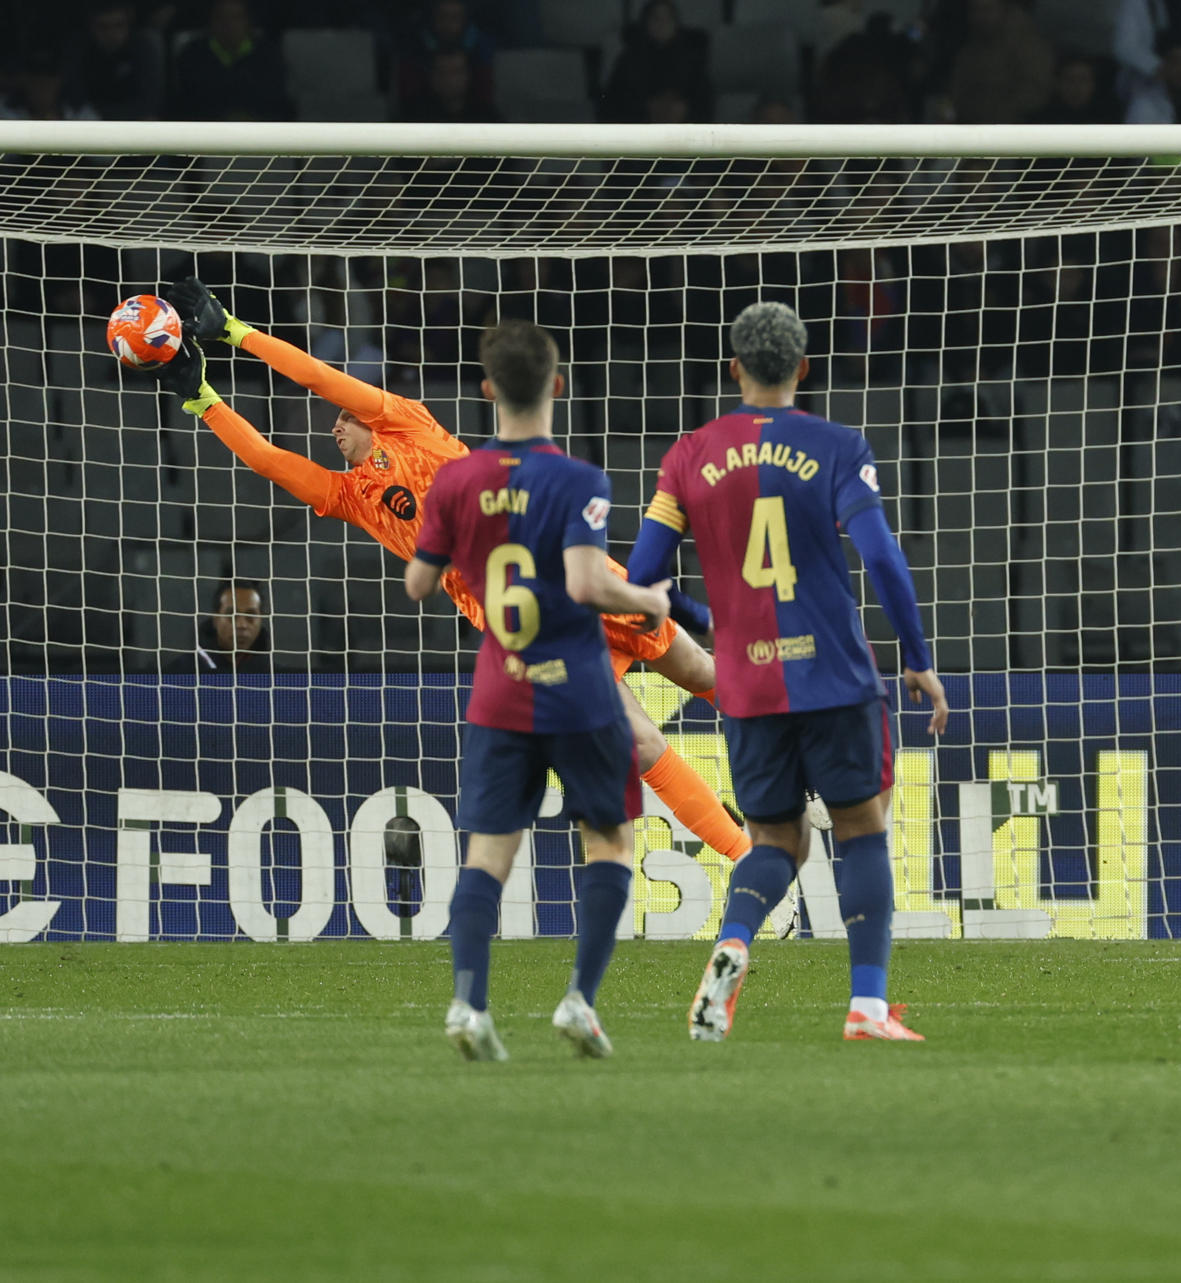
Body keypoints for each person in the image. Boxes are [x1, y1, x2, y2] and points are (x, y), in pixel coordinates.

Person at [145, 277, 753, 864]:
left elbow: (317, 377)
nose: (335, 426)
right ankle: (746, 855)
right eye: (335, 423)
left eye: (344, 418)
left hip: (572, 568)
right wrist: (205, 400)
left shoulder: (406, 421)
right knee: (640, 744)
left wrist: (234, 332)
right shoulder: (350, 497)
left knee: (702, 672)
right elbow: (268, 459)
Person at [627, 302, 950, 1043]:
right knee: (860, 829)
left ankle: (733, 941)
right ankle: (867, 1006)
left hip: (748, 683)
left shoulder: (688, 457)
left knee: (776, 841)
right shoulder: (836, 445)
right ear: (804, 368)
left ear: (733, 368)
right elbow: (883, 558)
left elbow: (642, 581)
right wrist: (917, 657)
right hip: (834, 673)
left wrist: (708, 616)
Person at [404, 321, 672, 1061]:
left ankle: (468, 1004)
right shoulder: (579, 479)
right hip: (579, 690)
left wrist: (458, 538)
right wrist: (649, 601)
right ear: (557, 385)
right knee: (609, 841)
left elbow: (418, 583)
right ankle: (580, 1000)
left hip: (502, 689)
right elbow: (588, 584)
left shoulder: (455, 481)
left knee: (488, 853)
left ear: (487, 389)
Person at [168, 0, 291, 122]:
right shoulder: (192, 55)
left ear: (248, 22)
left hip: (258, 128)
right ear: (210, 21)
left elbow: (274, 100)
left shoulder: (268, 55)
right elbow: (191, 101)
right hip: (206, 128)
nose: (228, 24)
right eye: (220, 17)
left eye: (236, 17)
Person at [598, 0, 712, 124]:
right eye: (656, 18)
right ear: (646, 22)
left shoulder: (691, 59)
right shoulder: (629, 59)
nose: (662, 24)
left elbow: (704, 102)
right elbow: (612, 104)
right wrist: (648, 109)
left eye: (668, 19)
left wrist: (683, 109)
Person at [945, 0, 1053, 125]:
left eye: (987, 9)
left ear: (1004, 9)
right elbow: (957, 92)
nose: (980, 16)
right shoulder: (969, 48)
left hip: (1014, 127)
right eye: (975, 10)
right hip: (971, 127)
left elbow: (1036, 91)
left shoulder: (1028, 44)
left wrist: (999, 111)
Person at [64, 0, 164, 120]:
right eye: (103, 27)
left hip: (133, 119)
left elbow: (148, 101)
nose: (112, 34)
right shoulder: (79, 50)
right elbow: (75, 97)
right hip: (91, 120)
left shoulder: (143, 48)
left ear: (129, 25)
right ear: (91, 27)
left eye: (119, 25)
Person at [166, 579, 273, 674]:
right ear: (216, 620)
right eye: (231, 614)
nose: (242, 625)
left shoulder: (275, 675)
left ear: (261, 619)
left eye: (250, 615)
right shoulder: (178, 672)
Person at [397, 48, 501, 123]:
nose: (449, 79)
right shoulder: (412, 116)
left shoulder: (485, 117)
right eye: (442, 72)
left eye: (456, 72)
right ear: (431, 76)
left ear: (468, 76)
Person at [1025, 54, 1121, 125]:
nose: (1077, 86)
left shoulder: (1108, 123)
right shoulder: (1040, 123)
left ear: (1093, 84)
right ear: (1057, 84)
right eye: (1070, 79)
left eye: (1083, 80)